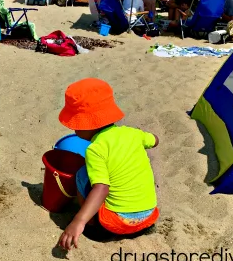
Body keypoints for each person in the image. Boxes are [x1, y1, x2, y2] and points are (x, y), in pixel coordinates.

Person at [57, 78, 159, 250]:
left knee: (82, 175)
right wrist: (147, 139)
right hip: (148, 219)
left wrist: (78, 222)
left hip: (114, 225)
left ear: (85, 124)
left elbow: (102, 188)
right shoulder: (133, 133)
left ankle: (88, 222)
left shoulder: (95, 149)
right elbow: (155, 140)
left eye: (75, 124)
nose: (73, 129)